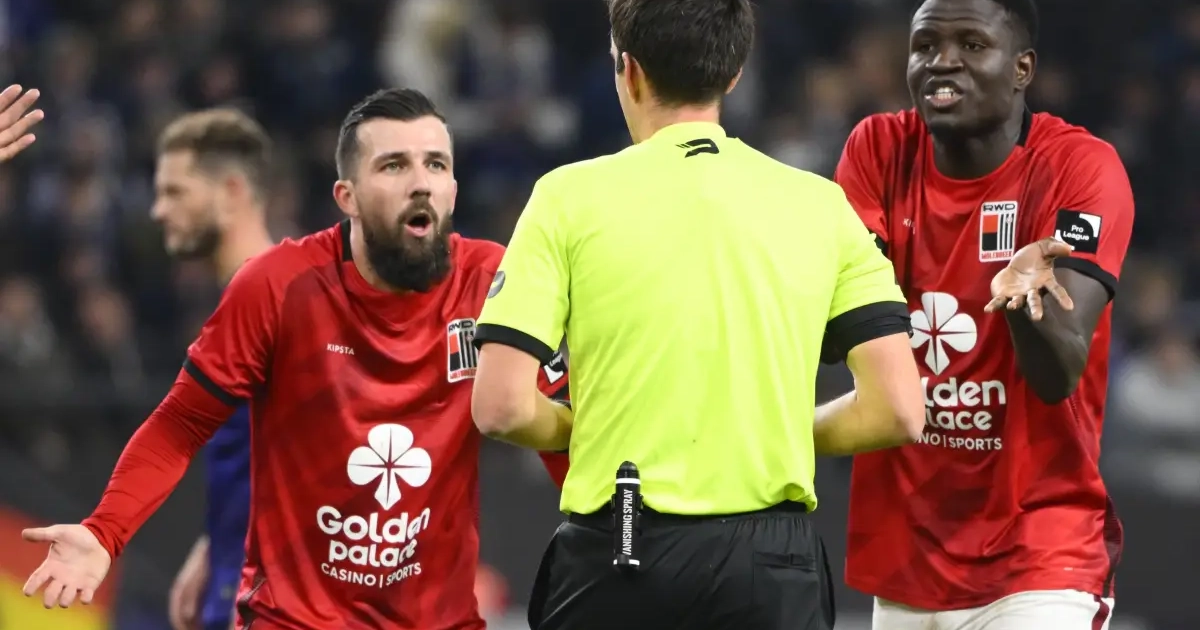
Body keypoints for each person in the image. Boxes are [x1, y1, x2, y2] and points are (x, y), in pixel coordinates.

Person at [20, 87, 570, 630]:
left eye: (436, 164)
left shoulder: (490, 282)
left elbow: (562, 433)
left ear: (452, 188)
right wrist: (104, 532)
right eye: (394, 165)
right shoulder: (278, 286)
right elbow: (180, 425)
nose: (421, 182)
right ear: (347, 196)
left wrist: (613, 542)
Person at [469, 1, 925, 629]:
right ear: (733, 73)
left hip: (622, 548)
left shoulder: (565, 199)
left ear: (629, 70)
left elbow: (501, 406)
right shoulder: (821, 205)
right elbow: (898, 408)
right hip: (773, 567)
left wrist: (595, 427)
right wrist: (767, 431)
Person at [834, 0, 1132, 628]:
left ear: (1022, 68)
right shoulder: (878, 148)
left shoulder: (1079, 168)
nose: (942, 62)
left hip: (1039, 558)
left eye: (971, 45)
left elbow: (1059, 375)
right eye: (925, 46)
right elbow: (840, 329)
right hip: (907, 558)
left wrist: (1022, 306)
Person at [151, 109, 275, 630]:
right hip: (230, 574)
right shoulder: (241, 301)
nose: (159, 210)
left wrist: (258, 592)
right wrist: (212, 545)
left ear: (230, 192)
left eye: (175, 192)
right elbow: (255, 452)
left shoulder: (283, 305)